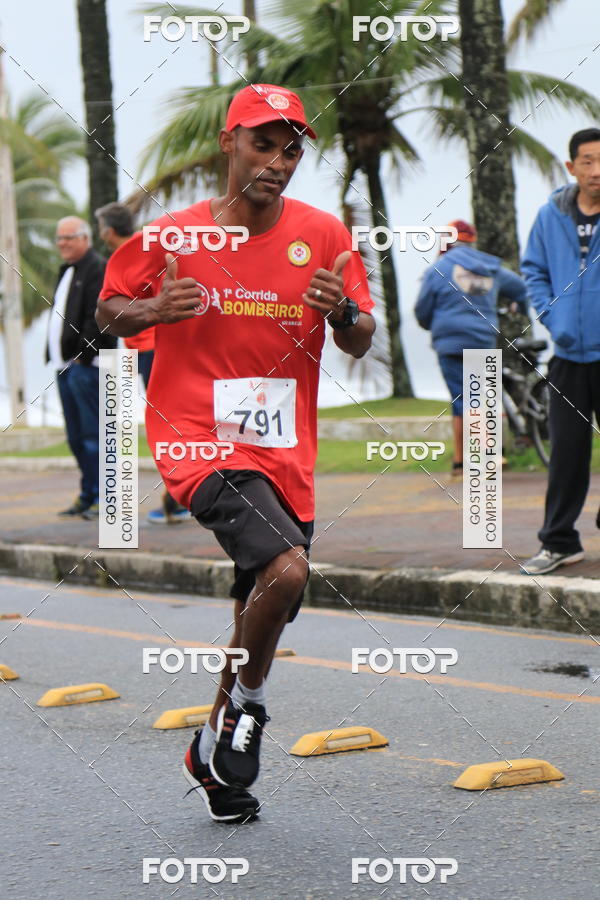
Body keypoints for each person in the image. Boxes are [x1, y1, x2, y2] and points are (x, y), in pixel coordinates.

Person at [96, 83, 375, 822]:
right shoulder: (174, 236)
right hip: (197, 439)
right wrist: (151, 311)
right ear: (229, 144)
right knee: (286, 569)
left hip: (285, 450)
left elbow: (360, 336)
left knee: (263, 602)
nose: (277, 162)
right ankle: (249, 708)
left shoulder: (324, 236)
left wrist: (342, 312)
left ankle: (213, 759)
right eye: (262, 144)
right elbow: (107, 308)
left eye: (291, 149)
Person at [522, 128, 600, 575]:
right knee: (567, 453)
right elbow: (533, 268)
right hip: (568, 354)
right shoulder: (550, 215)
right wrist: (553, 316)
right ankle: (559, 542)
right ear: (571, 167)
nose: (595, 170)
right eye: (586, 161)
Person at [95, 202, 188, 524]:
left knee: (171, 425)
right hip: (143, 351)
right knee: (167, 424)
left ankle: (180, 497)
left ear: (107, 231)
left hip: (155, 350)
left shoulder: (141, 254)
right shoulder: (142, 250)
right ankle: (179, 497)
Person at [414, 220, 528, 475]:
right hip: (482, 340)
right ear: (472, 239)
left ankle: (471, 461)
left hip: (450, 342)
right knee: (484, 398)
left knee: (461, 399)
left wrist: (434, 324)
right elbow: (521, 288)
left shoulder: (437, 269)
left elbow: (422, 312)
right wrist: (517, 307)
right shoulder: (490, 267)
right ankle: (484, 457)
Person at [47, 216, 116, 518]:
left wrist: (82, 357)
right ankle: (88, 494)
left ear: (85, 239)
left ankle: (105, 497)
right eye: (59, 238)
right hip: (64, 368)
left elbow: (97, 317)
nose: (62, 243)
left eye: (69, 237)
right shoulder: (67, 271)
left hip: (87, 367)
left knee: (93, 435)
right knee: (76, 437)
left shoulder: (97, 268)